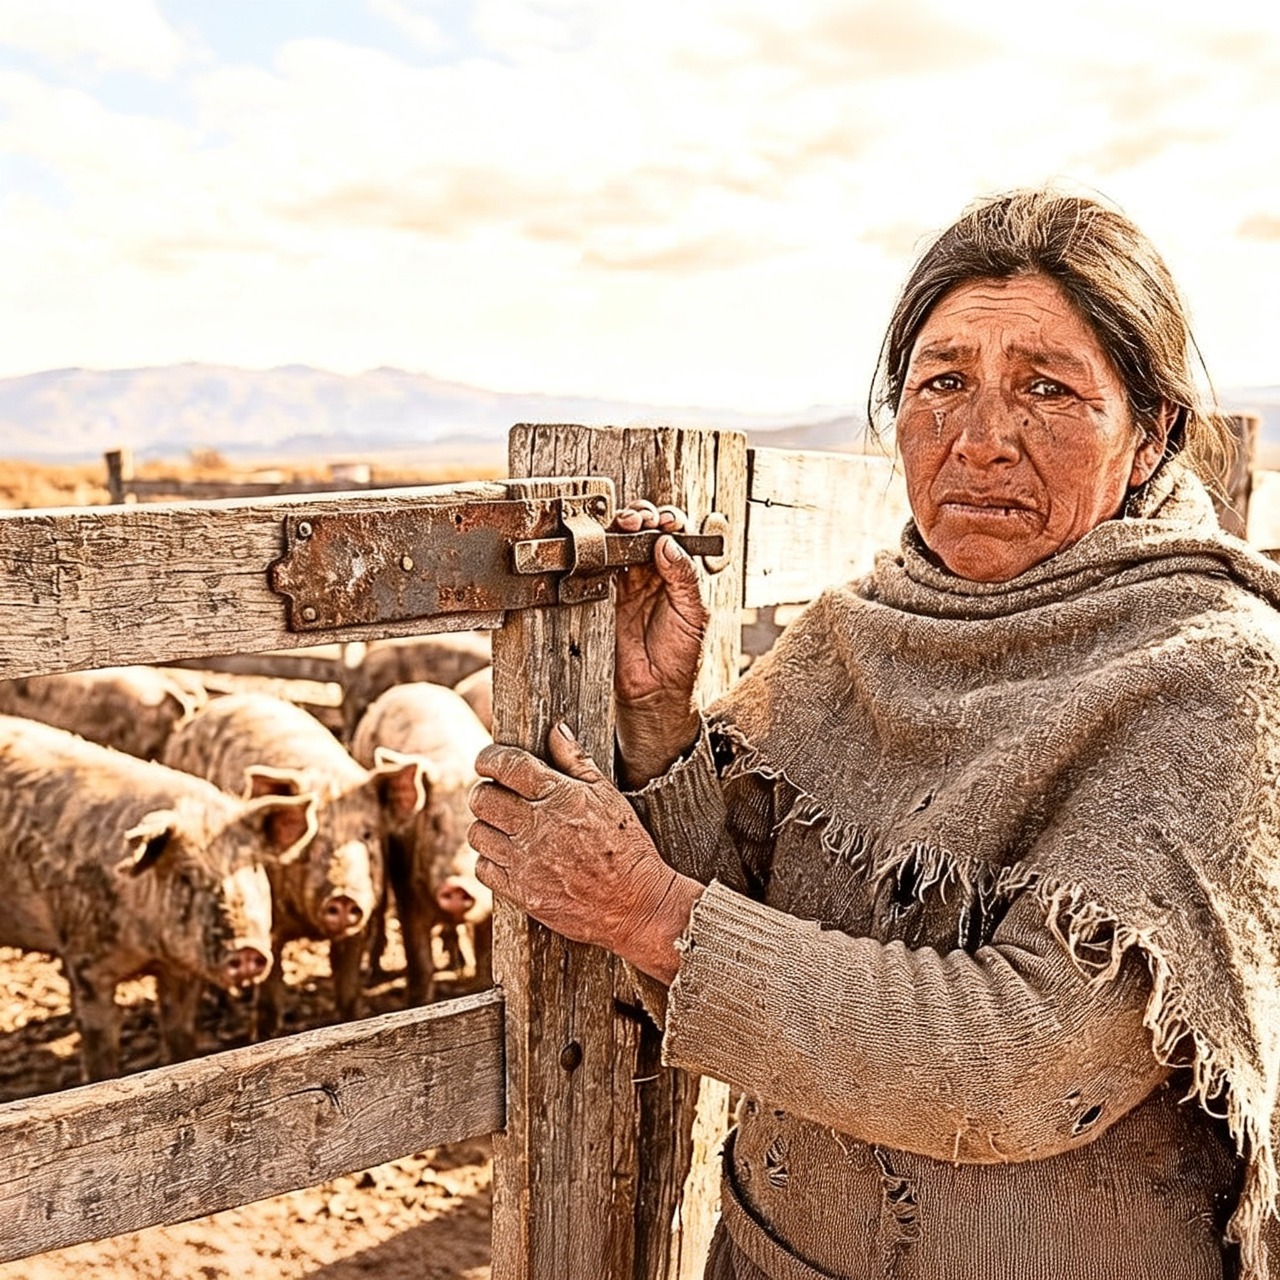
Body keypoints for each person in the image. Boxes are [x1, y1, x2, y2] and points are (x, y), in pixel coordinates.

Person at [467, 189, 1280, 1279]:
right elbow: (739, 923)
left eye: (1046, 387)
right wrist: (659, 722)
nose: (981, 439)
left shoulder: (1212, 675)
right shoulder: (852, 639)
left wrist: (647, 908)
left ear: (1150, 434)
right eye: (942, 382)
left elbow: (1027, 1058)